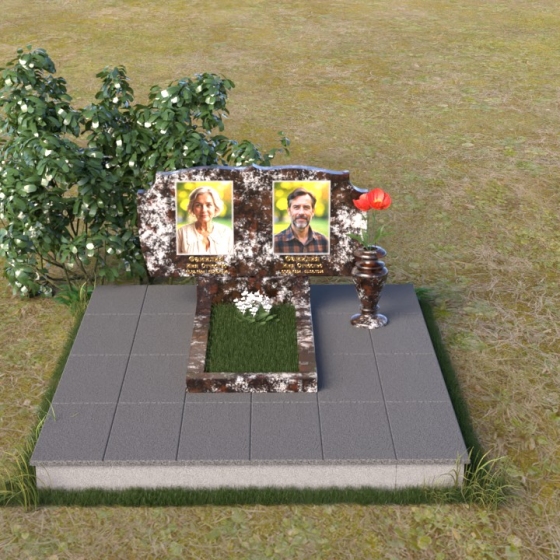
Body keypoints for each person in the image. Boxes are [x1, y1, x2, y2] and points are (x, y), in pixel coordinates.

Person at [177, 186, 234, 254]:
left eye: (209, 205)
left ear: (215, 208)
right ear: (192, 208)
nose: (204, 210)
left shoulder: (226, 233)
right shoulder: (181, 233)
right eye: (198, 205)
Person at [274, 188, 329, 254]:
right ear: (289, 211)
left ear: (313, 211)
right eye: (296, 207)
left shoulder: (324, 242)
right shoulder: (275, 243)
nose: (301, 212)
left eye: (306, 207)